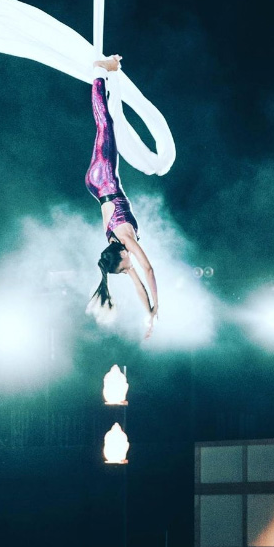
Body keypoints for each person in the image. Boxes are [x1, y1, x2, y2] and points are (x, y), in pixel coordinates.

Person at [85, 55, 158, 340]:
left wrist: (158, 305)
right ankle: (109, 72)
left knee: (105, 125)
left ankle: (99, 73)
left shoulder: (126, 239)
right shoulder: (117, 246)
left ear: (123, 254)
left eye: (128, 264)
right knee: (106, 125)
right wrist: (148, 314)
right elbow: (139, 283)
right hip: (96, 187)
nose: (132, 266)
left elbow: (148, 269)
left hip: (104, 176)